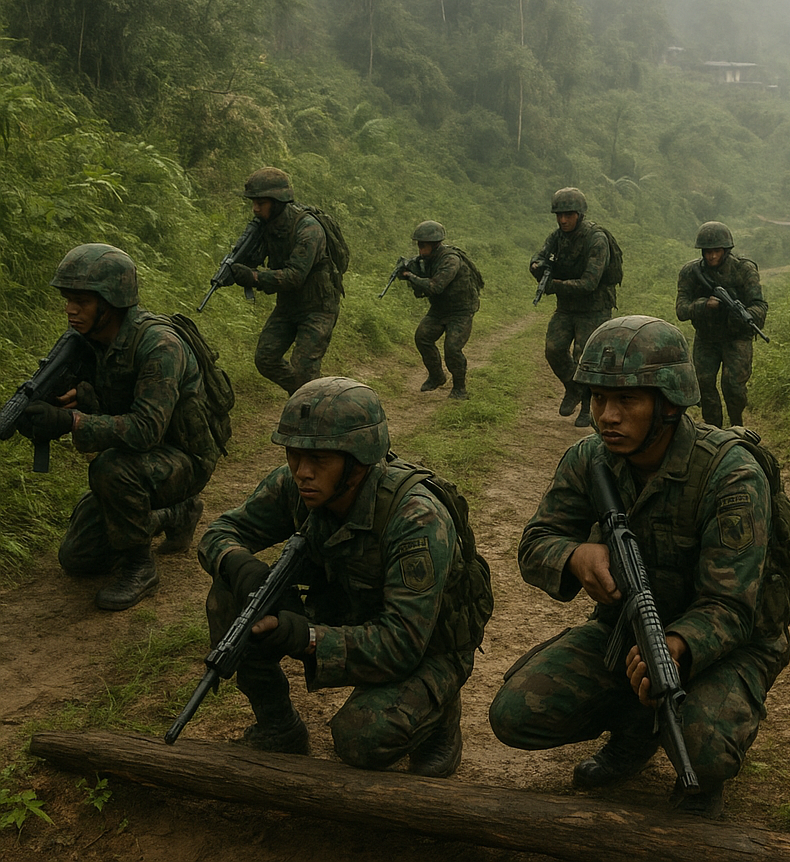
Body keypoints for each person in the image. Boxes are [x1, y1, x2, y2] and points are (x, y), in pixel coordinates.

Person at [488, 315, 790, 818]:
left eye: (626, 400)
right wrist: (575, 556)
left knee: (703, 751)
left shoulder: (730, 474)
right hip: (627, 629)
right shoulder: (590, 459)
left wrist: (677, 646)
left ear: (669, 403)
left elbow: (733, 607)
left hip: (725, 644)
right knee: (516, 714)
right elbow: (536, 542)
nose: (607, 416)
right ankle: (636, 730)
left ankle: (697, 773)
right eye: (598, 398)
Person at [198, 376, 482, 774]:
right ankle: (278, 726)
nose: (303, 472)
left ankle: (439, 719)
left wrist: (307, 638)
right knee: (230, 594)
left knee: (361, 737)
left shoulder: (416, 518)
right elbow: (221, 531)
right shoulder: (296, 485)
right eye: (294, 454)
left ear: (357, 461)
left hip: (426, 645)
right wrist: (238, 563)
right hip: (347, 612)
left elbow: (403, 642)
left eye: (319, 459)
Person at [21, 244, 216, 610]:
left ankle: (139, 568)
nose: (70, 309)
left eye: (81, 301)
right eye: (68, 300)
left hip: (185, 457)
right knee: (77, 558)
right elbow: (103, 399)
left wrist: (72, 421)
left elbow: (146, 429)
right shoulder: (88, 342)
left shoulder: (159, 345)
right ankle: (175, 514)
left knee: (109, 468)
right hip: (139, 459)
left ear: (111, 302)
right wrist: (52, 410)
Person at [230, 167, 342, 395]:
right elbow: (256, 257)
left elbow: (295, 276)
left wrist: (254, 277)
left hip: (318, 308)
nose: (255, 208)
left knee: (304, 370)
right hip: (288, 306)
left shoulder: (308, 228)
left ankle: (309, 404)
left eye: (261, 203)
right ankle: (307, 396)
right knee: (265, 358)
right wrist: (237, 267)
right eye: (254, 202)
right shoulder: (266, 226)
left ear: (278, 201)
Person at [529, 187, 618, 428]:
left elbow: (589, 283)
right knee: (553, 349)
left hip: (594, 308)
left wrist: (555, 285)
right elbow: (539, 255)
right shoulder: (557, 237)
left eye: (568, 215)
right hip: (567, 307)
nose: (563, 220)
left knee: (585, 358)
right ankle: (573, 388)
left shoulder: (596, 239)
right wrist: (537, 266)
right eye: (559, 215)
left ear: (579, 214)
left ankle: (588, 406)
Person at [675, 221, 767, 428]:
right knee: (704, 383)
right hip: (707, 337)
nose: (712, 256)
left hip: (737, 337)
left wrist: (741, 315)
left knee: (734, 387)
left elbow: (760, 306)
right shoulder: (691, 272)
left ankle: (737, 426)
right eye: (707, 251)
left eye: (716, 251)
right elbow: (681, 309)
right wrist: (704, 305)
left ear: (726, 250)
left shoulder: (744, 270)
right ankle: (713, 429)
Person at [402, 220, 481, 401]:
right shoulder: (428, 260)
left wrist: (411, 277)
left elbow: (436, 286)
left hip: (461, 310)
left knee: (452, 348)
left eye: (423, 245)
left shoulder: (450, 260)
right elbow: (422, 291)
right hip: (440, 309)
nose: (420, 249)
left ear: (434, 244)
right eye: (419, 245)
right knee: (422, 337)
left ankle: (460, 388)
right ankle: (436, 376)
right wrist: (411, 274)